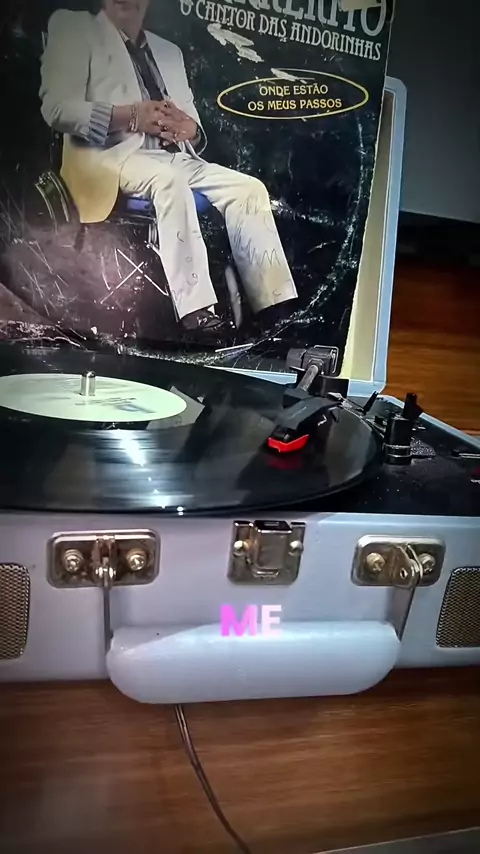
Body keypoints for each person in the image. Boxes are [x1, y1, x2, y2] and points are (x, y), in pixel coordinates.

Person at [39, 0, 298, 333]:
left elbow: (192, 125)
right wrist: (132, 116)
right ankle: (196, 311)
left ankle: (275, 306)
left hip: (173, 157)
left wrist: (191, 130)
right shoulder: (74, 27)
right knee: (170, 180)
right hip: (109, 159)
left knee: (248, 189)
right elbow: (58, 109)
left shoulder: (168, 51)